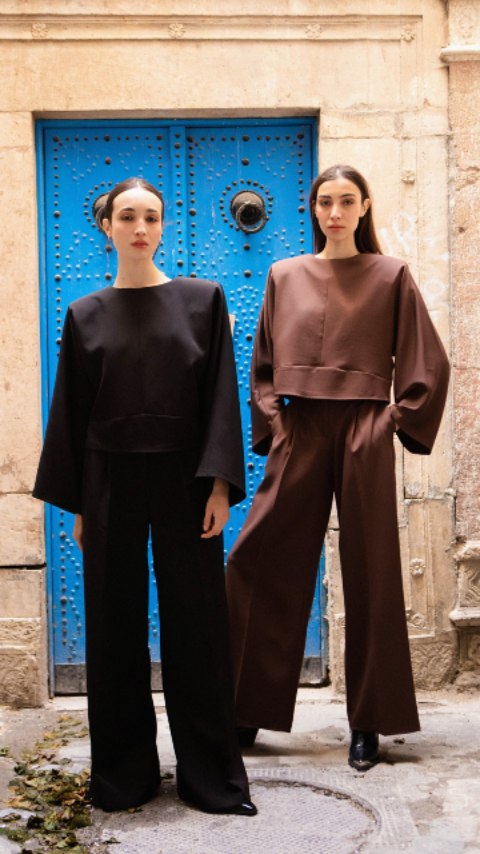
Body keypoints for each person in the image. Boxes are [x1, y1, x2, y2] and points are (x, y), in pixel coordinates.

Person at [33, 177, 257, 815]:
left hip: (187, 480)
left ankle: (212, 779)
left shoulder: (202, 300)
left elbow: (219, 395)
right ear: (107, 227)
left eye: (151, 217)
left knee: (199, 624)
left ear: (163, 227)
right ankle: (123, 779)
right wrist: (78, 504)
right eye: (127, 216)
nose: (140, 227)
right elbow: (71, 413)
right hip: (108, 479)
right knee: (113, 626)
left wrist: (219, 484)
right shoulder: (84, 314)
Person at [225, 164, 450, 771]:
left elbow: (429, 362)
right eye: (325, 201)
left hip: (364, 428)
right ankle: (245, 708)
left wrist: (392, 422)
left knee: (373, 571)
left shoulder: (391, 275)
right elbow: (264, 366)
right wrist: (275, 425)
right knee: (260, 556)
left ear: (365, 206)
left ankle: (368, 723)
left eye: (346, 201)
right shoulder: (284, 274)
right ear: (314, 208)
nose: (335, 212)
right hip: (300, 426)